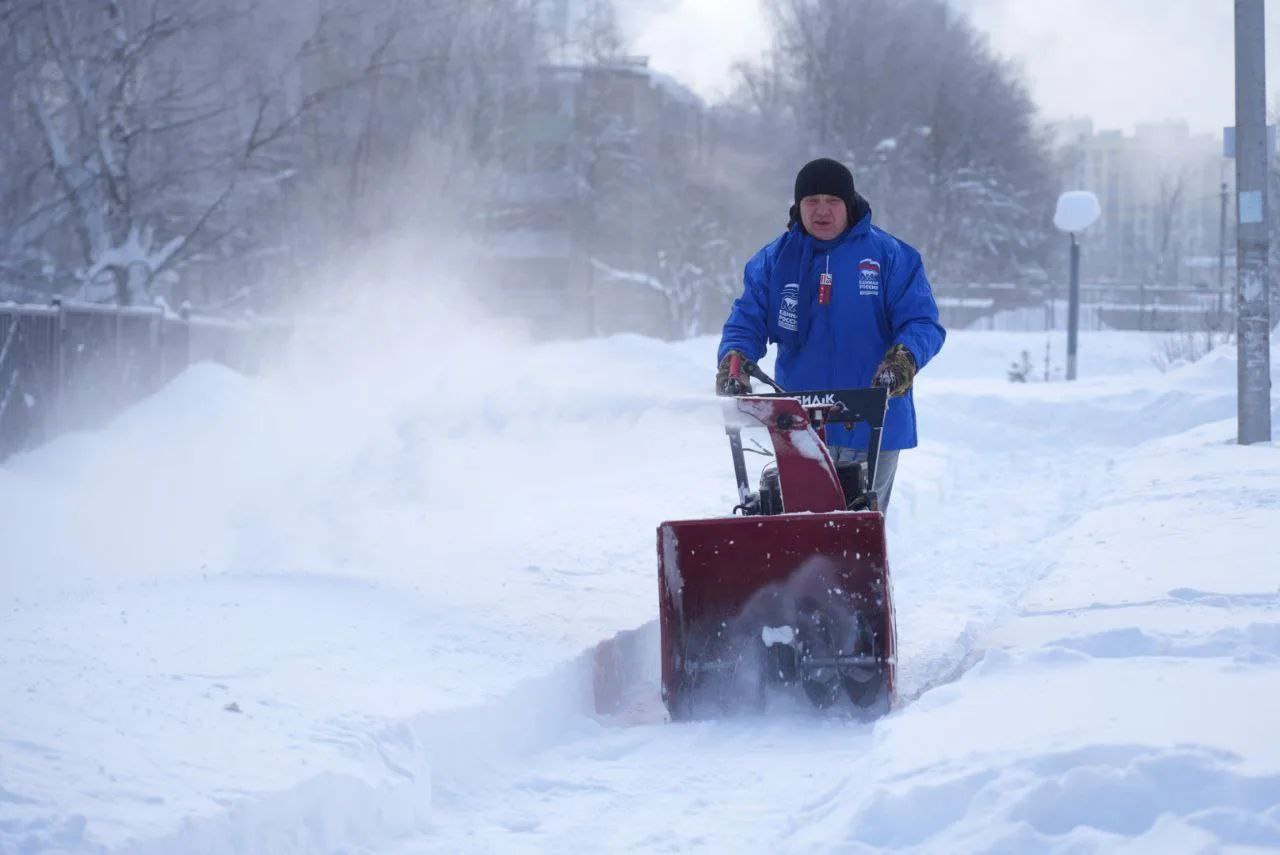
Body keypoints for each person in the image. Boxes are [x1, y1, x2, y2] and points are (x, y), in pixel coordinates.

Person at [715, 157, 945, 510]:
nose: (822, 210)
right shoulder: (773, 262)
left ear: (848, 204)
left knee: (859, 532)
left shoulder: (890, 256)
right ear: (798, 206)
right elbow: (746, 321)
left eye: (833, 201)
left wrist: (904, 359)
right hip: (799, 422)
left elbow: (922, 322)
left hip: (873, 418)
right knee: (799, 525)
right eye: (812, 201)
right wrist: (735, 359)